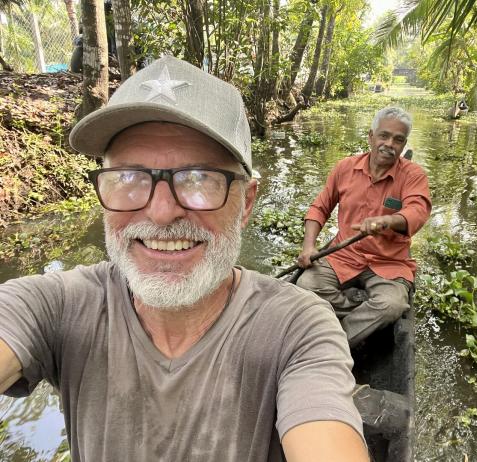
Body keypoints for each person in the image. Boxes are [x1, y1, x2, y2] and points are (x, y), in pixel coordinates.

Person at [0, 56, 368, 462]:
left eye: (198, 179)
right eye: (127, 177)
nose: (160, 213)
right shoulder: (56, 305)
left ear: (246, 203)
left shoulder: (297, 329)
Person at [296, 107, 431, 348]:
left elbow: (418, 211)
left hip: (389, 262)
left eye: (398, 140)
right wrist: (308, 247)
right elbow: (320, 208)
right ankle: (356, 305)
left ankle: (335, 344)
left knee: (392, 305)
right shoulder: (345, 168)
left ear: (403, 145)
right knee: (306, 286)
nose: (389, 144)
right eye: (384, 136)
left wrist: (388, 221)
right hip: (344, 255)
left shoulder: (413, 175)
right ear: (371, 136)